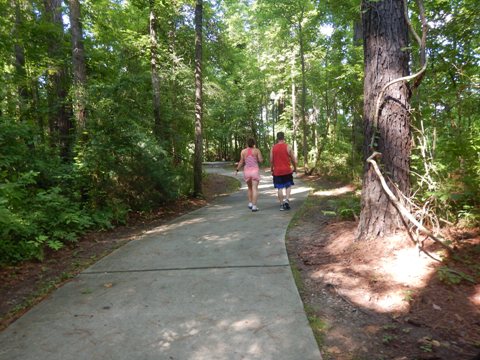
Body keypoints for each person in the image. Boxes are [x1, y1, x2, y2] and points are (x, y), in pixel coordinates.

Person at [270, 131, 297, 211]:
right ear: (283, 137)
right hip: (287, 170)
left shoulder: (273, 148)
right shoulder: (288, 147)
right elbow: (293, 160)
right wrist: (295, 168)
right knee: (288, 185)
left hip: (277, 171)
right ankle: (287, 200)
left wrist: (272, 169)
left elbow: (271, 160)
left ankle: (281, 205)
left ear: (277, 138)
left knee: (279, 188)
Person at [236, 138, 263, 212]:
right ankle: (254, 206)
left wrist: (237, 170)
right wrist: (259, 158)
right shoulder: (257, 150)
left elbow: (241, 162)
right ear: (254, 143)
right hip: (255, 171)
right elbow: (260, 160)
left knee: (249, 188)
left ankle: (250, 203)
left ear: (247, 144)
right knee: (255, 188)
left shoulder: (243, 151)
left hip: (247, 171)